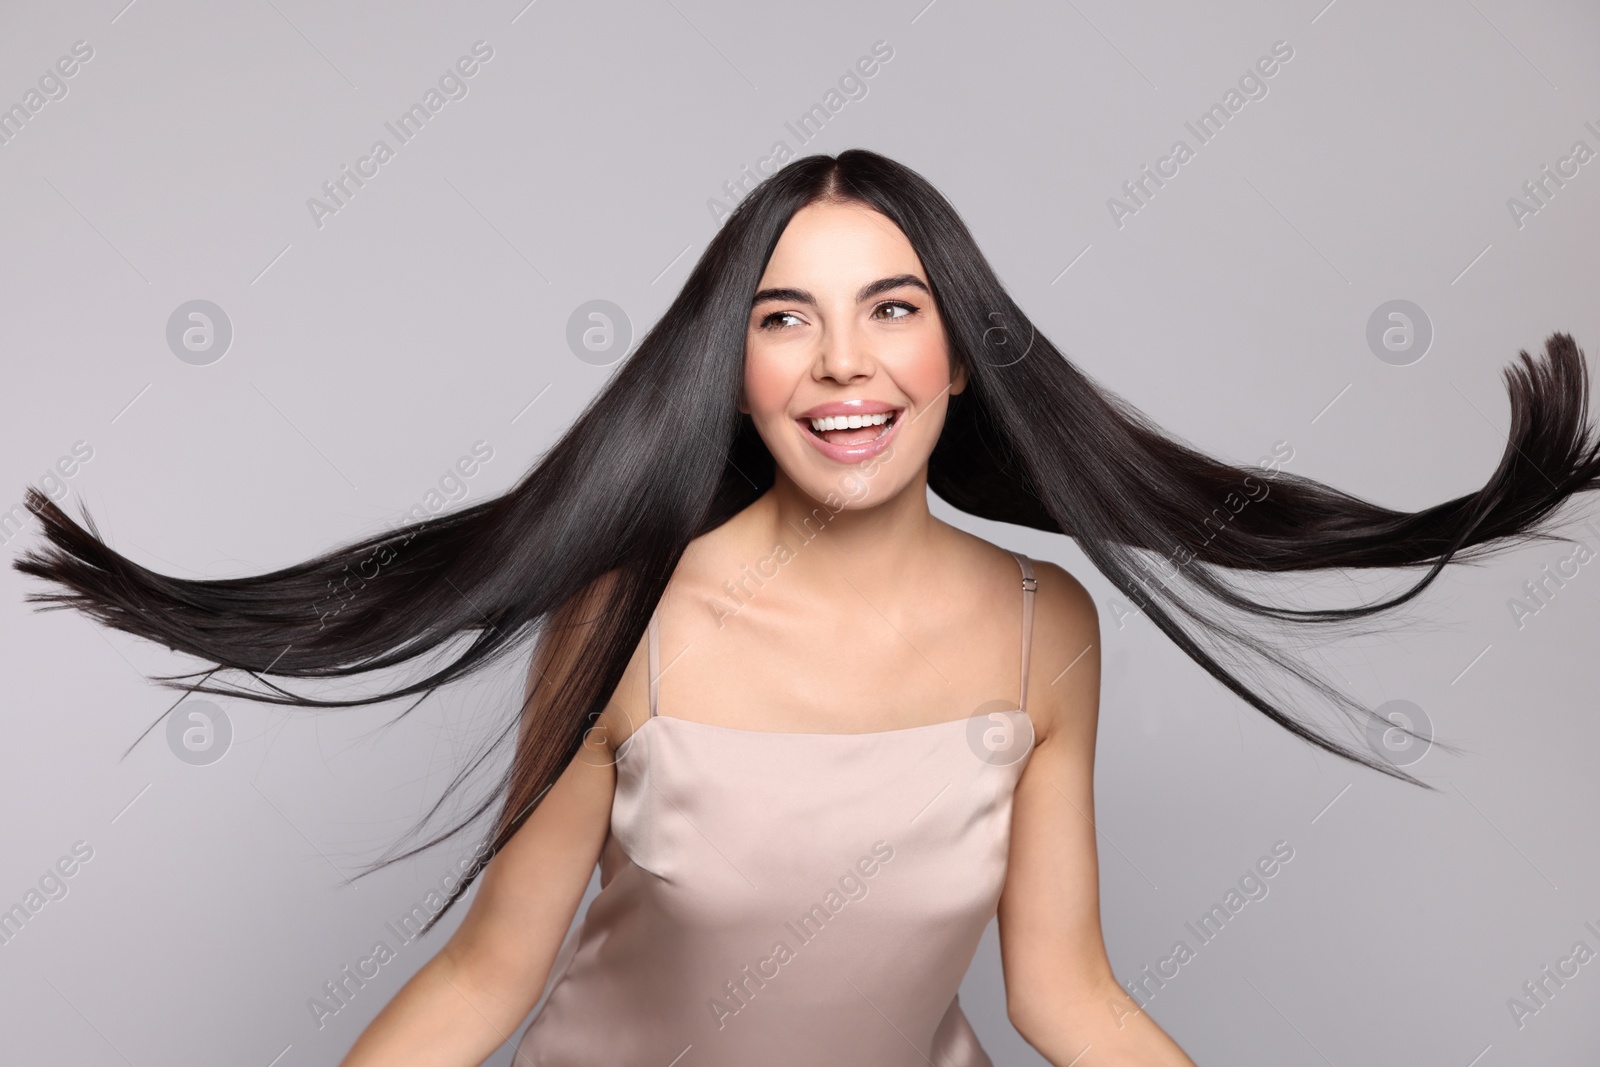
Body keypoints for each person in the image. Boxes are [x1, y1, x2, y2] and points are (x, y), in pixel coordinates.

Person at [15, 149, 1599, 1066]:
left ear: (957, 357)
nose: (844, 363)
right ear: (740, 370)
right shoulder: (621, 618)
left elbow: (1066, 993)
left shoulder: (1049, 630)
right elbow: (487, 975)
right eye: (787, 320)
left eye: (891, 310)